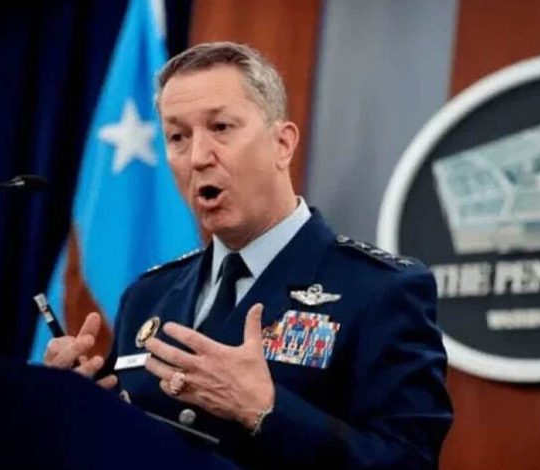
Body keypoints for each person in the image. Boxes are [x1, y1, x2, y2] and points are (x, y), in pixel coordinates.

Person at [43, 41, 453, 469]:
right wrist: (78, 403)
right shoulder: (148, 296)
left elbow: (407, 462)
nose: (198, 157)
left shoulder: (380, 290)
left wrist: (265, 410)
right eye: (178, 137)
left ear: (282, 143)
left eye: (221, 127)